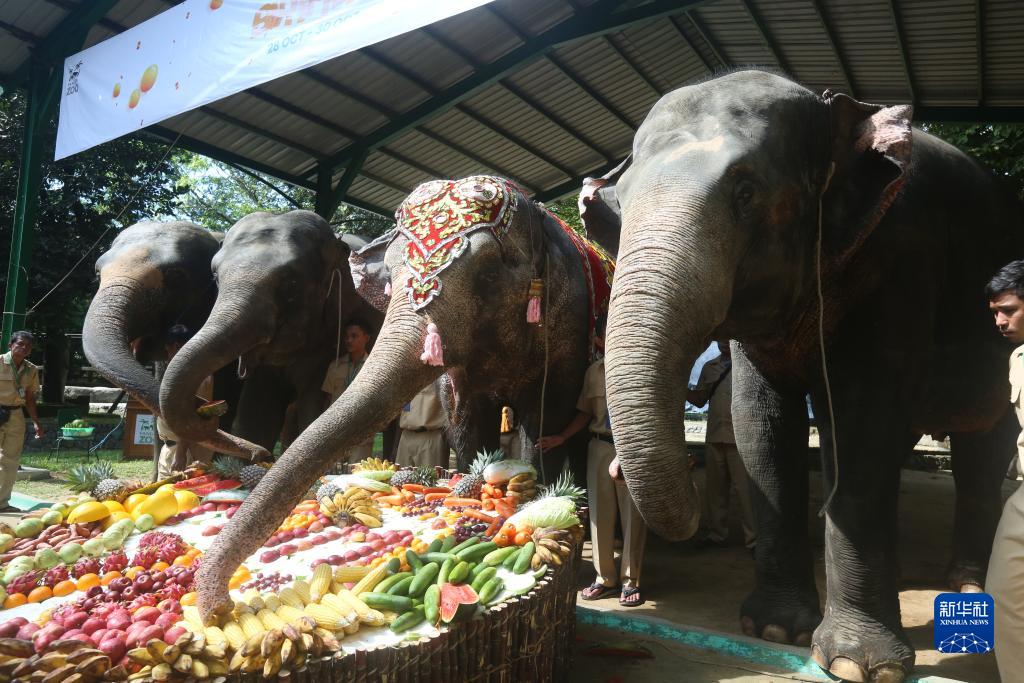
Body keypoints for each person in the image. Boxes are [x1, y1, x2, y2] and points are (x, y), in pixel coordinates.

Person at [537, 315, 647, 606]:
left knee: (633, 516)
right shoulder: (593, 373)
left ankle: (630, 580)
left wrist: (629, 452)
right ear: (599, 340)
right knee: (599, 516)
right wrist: (562, 437)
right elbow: (585, 413)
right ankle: (605, 578)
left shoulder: (638, 369)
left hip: (630, 447)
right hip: (599, 447)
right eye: (609, 333)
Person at [984, 259, 1024, 680]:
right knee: (1004, 597)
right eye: (994, 311)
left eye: (1008, 309)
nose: (999, 320)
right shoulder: (1018, 356)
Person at [688, 342, 756, 551]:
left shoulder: (750, 364)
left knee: (746, 492)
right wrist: (677, 385)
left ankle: (754, 541)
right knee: (715, 491)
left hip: (742, 439)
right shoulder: (710, 367)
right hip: (715, 436)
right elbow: (699, 400)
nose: (725, 341)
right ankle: (717, 534)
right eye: (721, 337)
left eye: (729, 337)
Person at [156, 325, 213, 477]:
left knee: (183, 498)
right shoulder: (185, 371)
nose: (168, 356)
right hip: (172, 448)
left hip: (186, 451)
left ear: (176, 346)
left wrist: (181, 454)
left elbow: (192, 416)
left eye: (168, 350)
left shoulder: (195, 374)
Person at [0, 331, 43, 512]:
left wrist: (36, 422)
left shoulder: (31, 369)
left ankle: (2, 504)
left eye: (28, 346)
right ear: (11, 345)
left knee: (10, 460)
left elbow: (30, 398)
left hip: (16, 415)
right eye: (20, 344)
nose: (24, 348)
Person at [322, 319, 374, 464]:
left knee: (357, 476)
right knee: (332, 474)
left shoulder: (374, 367)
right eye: (346, 336)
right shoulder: (336, 365)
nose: (348, 340)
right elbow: (328, 399)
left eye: (354, 336)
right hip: (336, 431)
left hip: (361, 432)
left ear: (367, 338)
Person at [396, 382, 449, 468]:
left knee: (430, 479)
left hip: (430, 436)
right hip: (405, 436)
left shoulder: (440, 375)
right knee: (401, 479)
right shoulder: (407, 376)